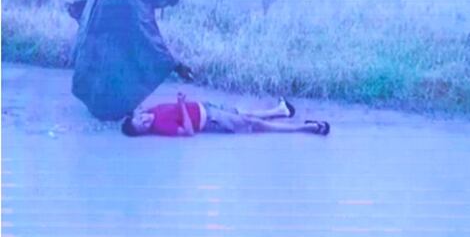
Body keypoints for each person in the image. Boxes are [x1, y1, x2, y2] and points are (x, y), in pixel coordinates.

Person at [69, 0, 195, 120]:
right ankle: (105, 110)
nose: (161, 6)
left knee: (107, 66)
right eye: (165, 2)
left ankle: (104, 106)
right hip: (103, 31)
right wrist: (176, 65)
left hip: (103, 27)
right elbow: (149, 34)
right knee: (113, 68)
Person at [122, 93, 330, 137]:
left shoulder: (148, 111)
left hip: (207, 107)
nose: (145, 121)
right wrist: (182, 105)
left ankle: (281, 111)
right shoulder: (161, 127)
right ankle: (308, 127)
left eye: (140, 119)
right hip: (211, 119)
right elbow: (188, 132)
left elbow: (136, 106)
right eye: (143, 126)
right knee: (251, 122)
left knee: (243, 113)